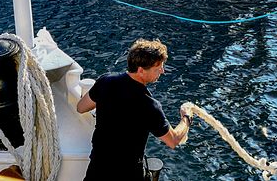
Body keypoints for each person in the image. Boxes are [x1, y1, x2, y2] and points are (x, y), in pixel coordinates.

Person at [77, 39, 191, 180]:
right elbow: (173, 140)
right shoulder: (149, 105)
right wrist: (186, 118)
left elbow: (81, 107)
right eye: (158, 68)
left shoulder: (105, 81)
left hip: (98, 168)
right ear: (141, 70)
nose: (162, 71)